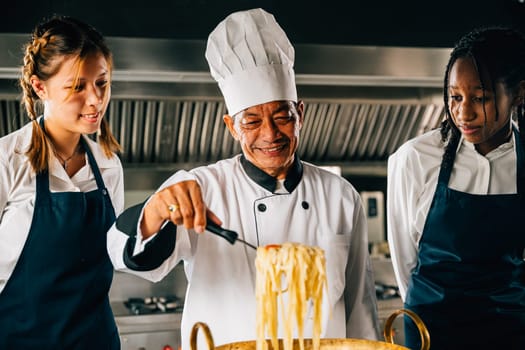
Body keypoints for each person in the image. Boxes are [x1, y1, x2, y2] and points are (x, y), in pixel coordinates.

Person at [107, 7, 380, 349]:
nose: (270, 134)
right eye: (251, 121)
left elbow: (361, 307)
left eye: (283, 116)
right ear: (232, 127)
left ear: (301, 114)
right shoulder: (202, 189)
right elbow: (123, 254)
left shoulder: (340, 196)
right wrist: (156, 210)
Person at [387, 26, 525, 350]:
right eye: (455, 97)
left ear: (519, 93)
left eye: (480, 98)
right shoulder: (416, 159)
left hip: (510, 333)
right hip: (431, 332)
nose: (464, 112)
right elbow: (405, 264)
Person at [0, 15, 124, 349]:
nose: (95, 100)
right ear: (41, 87)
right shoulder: (7, 160)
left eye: (102, 83)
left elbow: (115, 254)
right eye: (77, 87)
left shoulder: (109, 166)